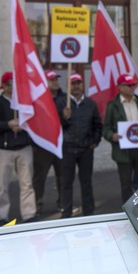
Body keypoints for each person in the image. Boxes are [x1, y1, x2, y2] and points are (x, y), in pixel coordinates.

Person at [0, 72, 36, 224]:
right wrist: (7, 124)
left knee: (27, 183)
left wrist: (24, 127)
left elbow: (33, 122)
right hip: (4, 149)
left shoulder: (25, 104)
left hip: (23, 147)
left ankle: (29, 213)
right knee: (2, 184)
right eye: (11, 84)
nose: (14, 87)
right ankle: (2, 215)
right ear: (5, 86)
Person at [57, 73, 102, 218]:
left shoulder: (90, 104)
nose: (76, 87)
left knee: (86, 182)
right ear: (68, 86)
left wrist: (95, 141)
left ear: (82, 85)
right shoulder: (61, 103)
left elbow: (97, 124)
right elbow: (55, 127)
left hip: (85, 149)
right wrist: (63, 118)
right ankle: (66, 212)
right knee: (66, 183)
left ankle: (89, 211)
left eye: (78, 83)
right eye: (73, 84)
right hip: (67, 149)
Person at [103, 74, 138, 203]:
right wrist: (112, 136)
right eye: (128, 85)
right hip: (123, 151)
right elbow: (106, 128)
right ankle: (128, 209)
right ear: (119, 87)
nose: (131, 87)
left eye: (132, 85)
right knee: (126, 183)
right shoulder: (113, 105)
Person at [33, 70, 64, 213]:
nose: (55, 82)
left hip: (59, 144)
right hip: (43, 146)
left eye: (56, 79)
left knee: (62, 176)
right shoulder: (39, 100)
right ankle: (37, 202)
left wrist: (66, 117)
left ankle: (62, 202)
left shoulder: (64, 98)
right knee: (40, 177)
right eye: (52, 79)